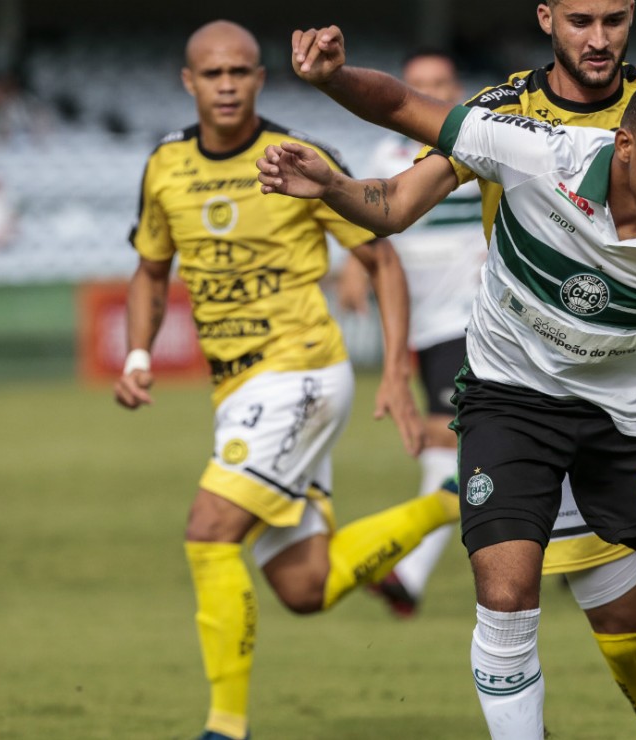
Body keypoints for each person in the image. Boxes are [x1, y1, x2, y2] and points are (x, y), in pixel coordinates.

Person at [258, 25, 636, 739]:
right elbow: (401, 111)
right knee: (508, 598)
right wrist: (331, 106)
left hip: (631, 418)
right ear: (625, 146)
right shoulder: (535, 150)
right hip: (511, 401)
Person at [113, 21, 458, 740]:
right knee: (306, 586)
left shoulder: (299, 159)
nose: (228, 85)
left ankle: (224, 727)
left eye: (240, 71)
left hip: (302, 372)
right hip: (235, 390)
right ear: (189, 82)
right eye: (213, 74)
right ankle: (452, 502)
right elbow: (150, 270)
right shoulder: (165, 166)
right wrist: (138, 355)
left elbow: (381, 260)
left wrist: (395, 371)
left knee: (209, 531)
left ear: (261, 78)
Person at [335, 50, 487, 615]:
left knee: (445, 439)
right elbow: (372, 218)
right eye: (418, 83)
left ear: (457, 87)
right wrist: (356, 267)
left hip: (472, 319)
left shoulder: (480, 142)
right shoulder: (388, 154)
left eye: (439, 81)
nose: (430, 90)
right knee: (457, 443)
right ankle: (581, 530)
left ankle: (409, 573)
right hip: (423, 325)